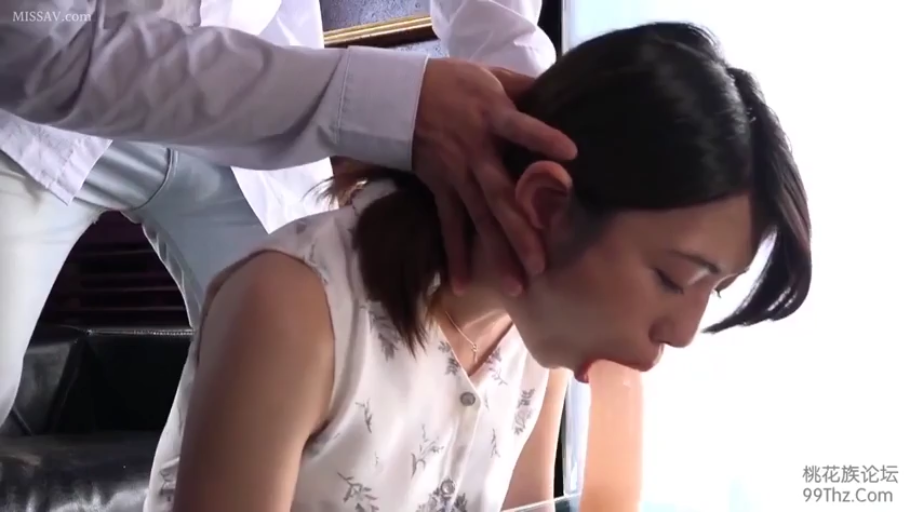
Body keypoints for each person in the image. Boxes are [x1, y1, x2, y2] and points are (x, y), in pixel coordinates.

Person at [145, 20, 812, 512]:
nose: (682, 334)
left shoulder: (534, 340)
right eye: (672, 278)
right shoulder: (294, 310)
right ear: (546, 205)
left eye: (713, 291)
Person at [0, 0, 575, 423]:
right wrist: (389, 104)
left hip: (247, 93)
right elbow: (29, 40)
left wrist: (527, 122)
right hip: (30, 109)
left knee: (326, 392)